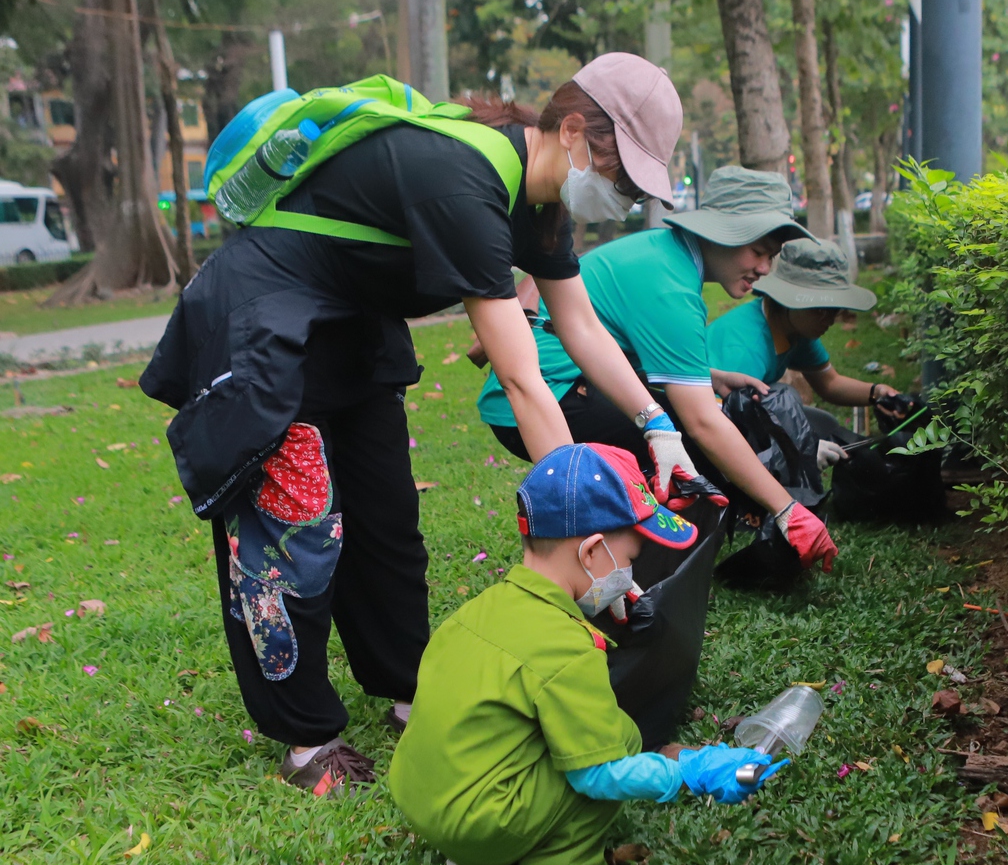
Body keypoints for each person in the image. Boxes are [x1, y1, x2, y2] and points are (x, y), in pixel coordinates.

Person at [141, 53, 717, 793]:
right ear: (573, 131)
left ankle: (410, 687)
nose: (626, 196)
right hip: (269, 321)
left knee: (387, 523)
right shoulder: (464, 179)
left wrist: (656, 424)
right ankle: (305, 735)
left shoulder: (538, 201)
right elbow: (521, 376)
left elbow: (580, 325)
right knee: (294, 531)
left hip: (355, 325)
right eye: (623, 175)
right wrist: (588, 529)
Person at [389, 443, 785, 865]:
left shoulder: (482, 609)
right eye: (629, 559)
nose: (630, 575)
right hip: (479, 823)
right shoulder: (567, 647)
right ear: (593, 551)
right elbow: (601, 775)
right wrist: (689, 773)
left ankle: (471, 861)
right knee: (615, 739)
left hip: (426, 801)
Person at [476, 166, 839, 572]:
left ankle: (660, 559)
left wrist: (712, 376)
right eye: (759, 252)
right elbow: (702, 421)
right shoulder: (672, 287)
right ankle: (636, 567)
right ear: (724, 232)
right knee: (696, 453)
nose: (767, 269)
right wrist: (787, 509)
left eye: (772, 257)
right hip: (541, 400)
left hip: (560, 388)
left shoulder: (667, 254)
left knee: (692, 456)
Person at [706, 237, 913, 471]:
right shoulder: (745, 350)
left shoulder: (797, 328)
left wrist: (877, 392)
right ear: (787, 300)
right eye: (820, 310)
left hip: (749, 413)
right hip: (711, 424)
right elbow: (721, 429)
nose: (829, 320)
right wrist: (798, 452)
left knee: (825, 425)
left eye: (835, 310)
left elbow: (830, 383)